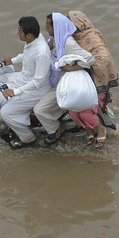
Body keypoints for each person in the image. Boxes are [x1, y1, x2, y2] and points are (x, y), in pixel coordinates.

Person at [33, 12, 95, 145]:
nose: (46, 29)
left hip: (64, 86)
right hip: (54, 81)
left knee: (39, 109)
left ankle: (57, 129)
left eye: (48, 26)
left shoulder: (68, 43)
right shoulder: (54, 40)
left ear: (56, 27)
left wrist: (70, 68)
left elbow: (89, 59)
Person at [0, 16, 51, 149]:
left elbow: (38, 81)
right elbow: (26, 55)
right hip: (24, 78)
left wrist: (15, 92)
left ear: (29, 35)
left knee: (6, 112)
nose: (18, 33)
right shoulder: (35, 38)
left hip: (36, 90)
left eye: (20, 31)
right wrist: (12, 60)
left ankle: (28, 137)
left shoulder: (41, 53)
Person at [68, 10, 119, 148]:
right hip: (82, 81)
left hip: (96, 83)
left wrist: (84, 65)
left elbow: (103, 58)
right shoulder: (72, 40)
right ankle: (89, 130)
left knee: (84, 111)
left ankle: (100, 129)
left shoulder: (91, 37)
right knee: (72, 110)